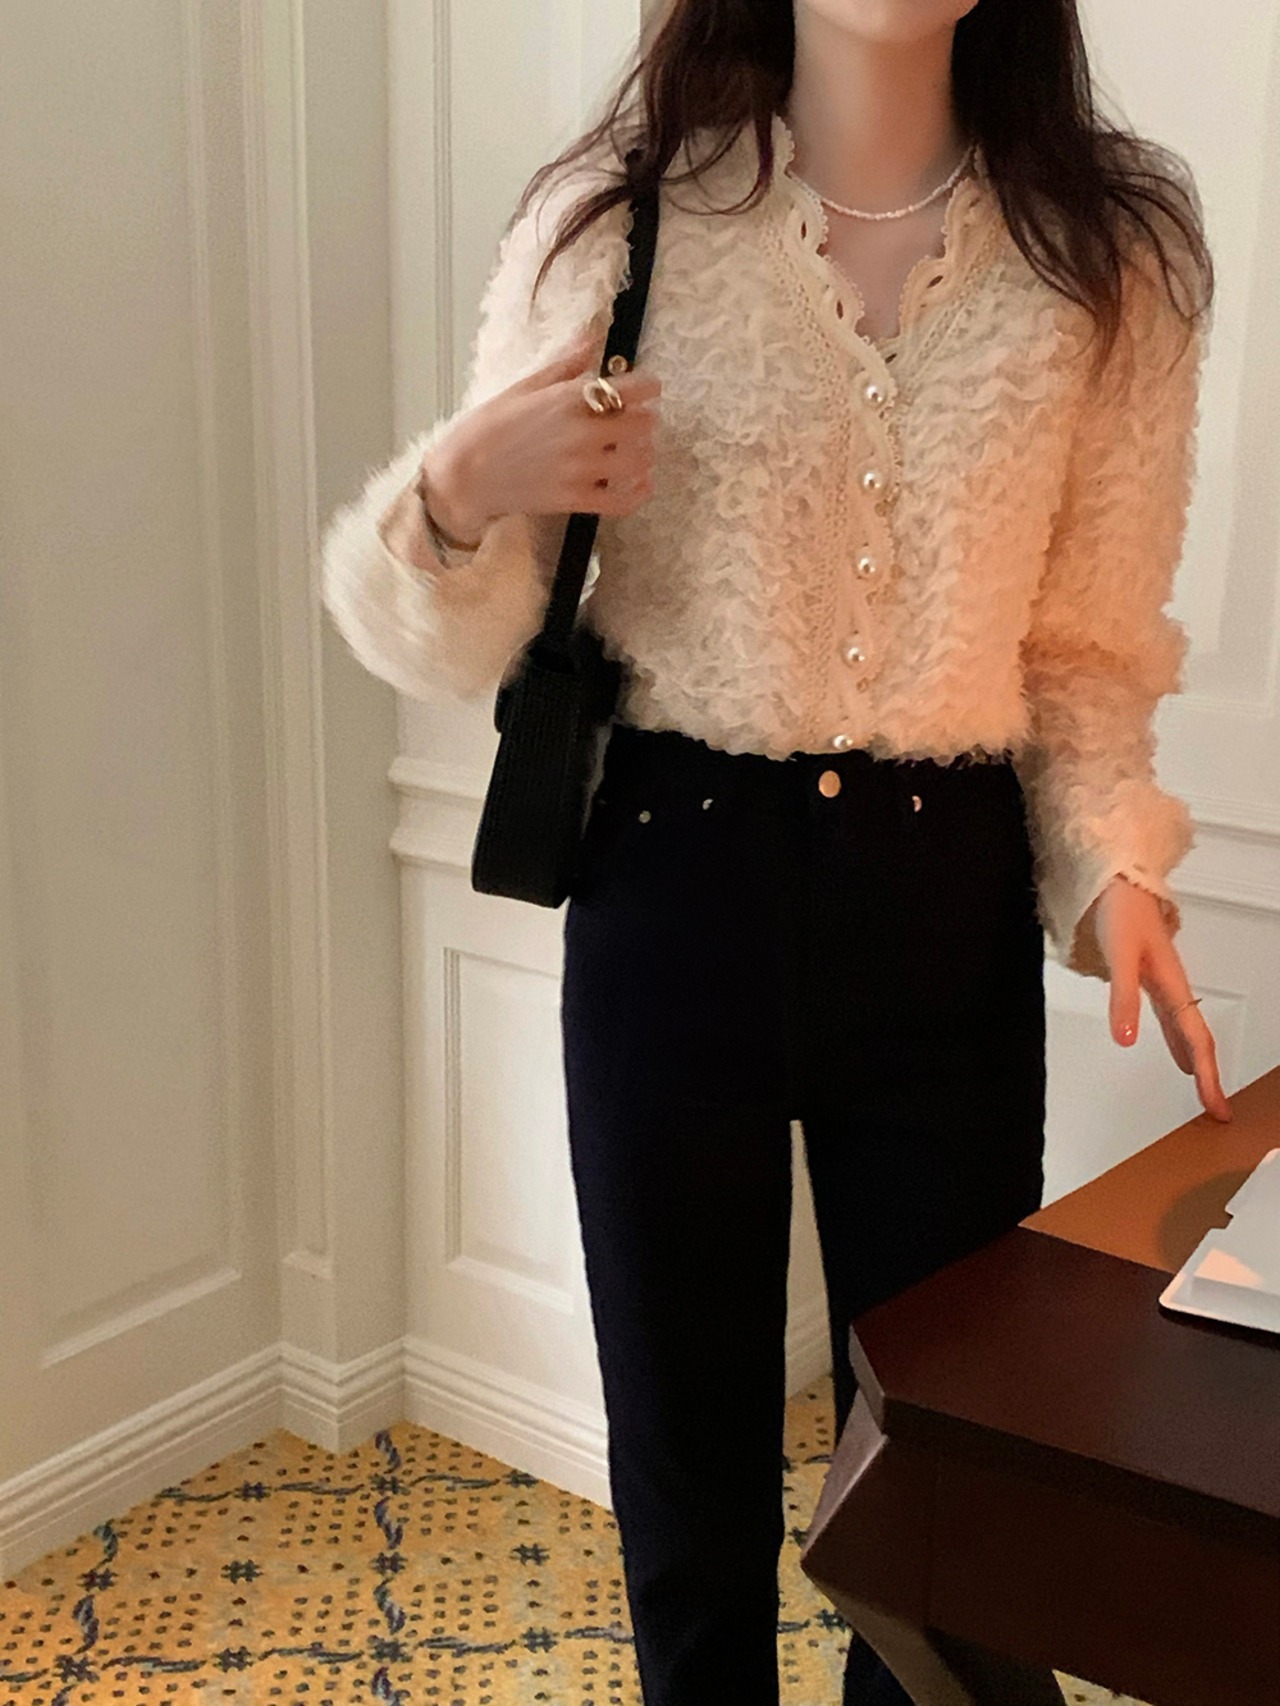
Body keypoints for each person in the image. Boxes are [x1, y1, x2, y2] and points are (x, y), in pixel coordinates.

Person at [319, 1, 1234, 1700]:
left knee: (947, 1482)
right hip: (673, 890)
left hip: (944, 899)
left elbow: (1086, 656)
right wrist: (455, 486)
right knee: (688, 1474)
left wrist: (1117, 868)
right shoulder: (619, 218)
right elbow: (467, 636)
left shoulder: (1110, 254)